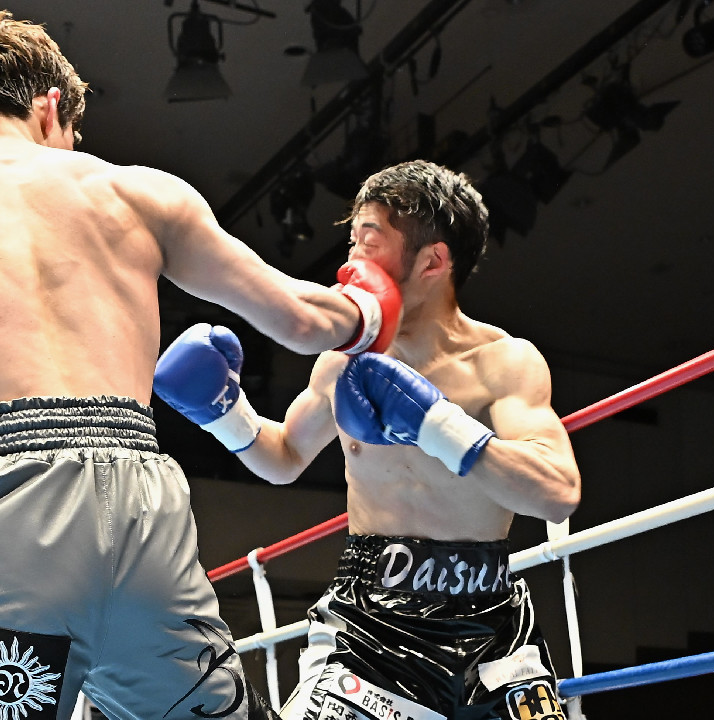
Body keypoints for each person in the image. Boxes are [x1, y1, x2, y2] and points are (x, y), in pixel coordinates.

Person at [0, 6, 405, 720]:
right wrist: (371, 309)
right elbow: (305, 322)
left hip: (9, 513)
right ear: (50, 106)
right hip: (148, 510)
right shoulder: (144, 192)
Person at [154, 160, 582, 720]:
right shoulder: (343, 362)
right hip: (371, 626)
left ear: (433, 261)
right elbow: (284, 457)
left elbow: (558, 492)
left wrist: (436, 424)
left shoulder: (503, 363)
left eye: (370, 242)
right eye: (352, 241)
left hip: (493, 630)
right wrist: (225, 414)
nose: (350, 262)